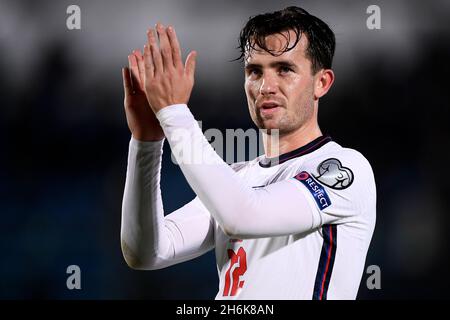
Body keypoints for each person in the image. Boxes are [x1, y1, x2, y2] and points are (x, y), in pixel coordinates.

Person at [120, 6, 376, 300]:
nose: (266, 86)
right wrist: (146, 141)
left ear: (322, 83)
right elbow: (146, 253)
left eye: (285, 69)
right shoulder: (237, 179)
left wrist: (175, 114)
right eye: (255, 71)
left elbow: (242, 215)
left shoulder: (345, 168)